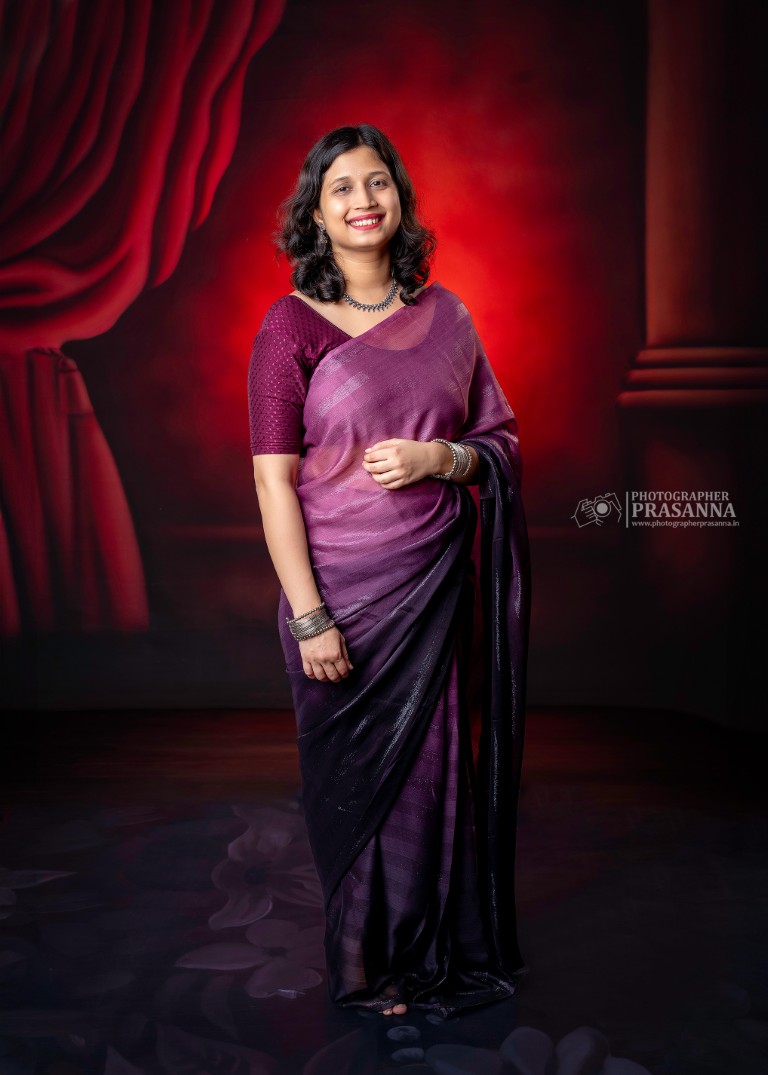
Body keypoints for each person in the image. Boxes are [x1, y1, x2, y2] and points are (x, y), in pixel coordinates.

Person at [247, 124, 531, 1019]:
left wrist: (438, 458)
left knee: (429, 775)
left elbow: (499, 441)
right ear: (316, 214)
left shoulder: (449, 319)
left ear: (400, 199)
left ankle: (427, 951)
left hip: (431, 588)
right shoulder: (291, 324)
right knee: (355, 783)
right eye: (341, 187)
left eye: (378, 182)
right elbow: (272, 480)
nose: (363, 200)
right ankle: (366, 965)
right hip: (337, 594)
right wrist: (310, 616)